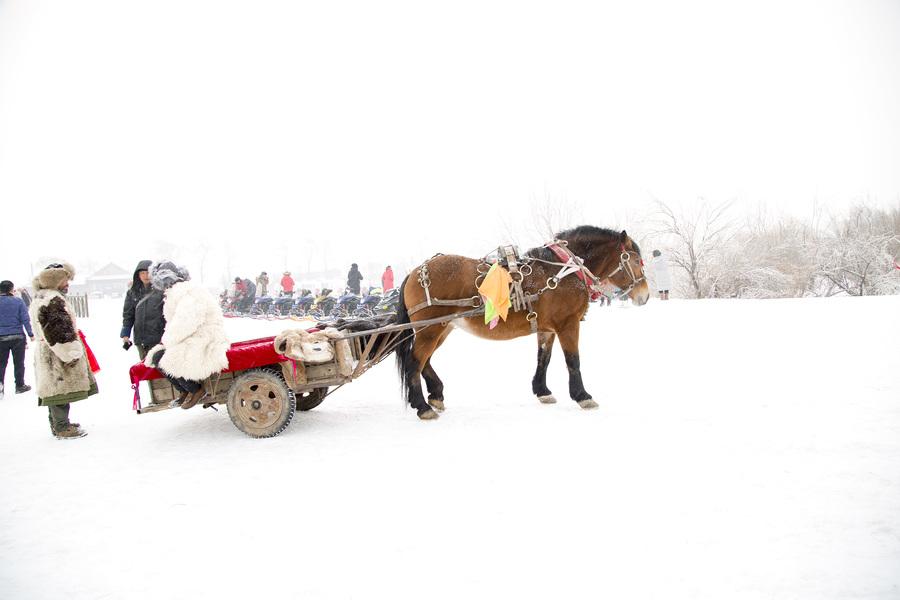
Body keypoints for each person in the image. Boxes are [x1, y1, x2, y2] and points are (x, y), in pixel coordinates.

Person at [144, 261, 229, 410]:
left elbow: (187, 322)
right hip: (194, 335)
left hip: (205, 337)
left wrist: (169, 341)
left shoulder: (187, 292)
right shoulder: (177, 293)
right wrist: (167, 340)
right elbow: (174, 323)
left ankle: (196, 389)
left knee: (165, 358)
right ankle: (185, 390)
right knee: (158, 356)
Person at [29, 263, 97, 439]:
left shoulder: (41, 297)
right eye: (65, 280)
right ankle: (62, 427)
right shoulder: (52, 300)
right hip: (57, 353)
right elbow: (58, 331)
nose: (68, 283)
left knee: (54, 389)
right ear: (56, 280)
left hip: (48, 351)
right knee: (60, 390)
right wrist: (71, 353)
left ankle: (58, 423)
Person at [0, 280, 35, 398]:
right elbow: (25, 319)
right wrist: (30, 334)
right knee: (19, 362)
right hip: (18, 337)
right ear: (11, 289)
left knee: (1, 363)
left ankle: (0, 386)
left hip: (1, 338)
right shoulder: (18, 302)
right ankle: (20, 386)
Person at [120, 260, 152, 352]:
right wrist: (125, 335)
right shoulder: (132, 293)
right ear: (138, 275)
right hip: (141, 339)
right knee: (143, 365)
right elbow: (128, 315)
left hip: (159, 339)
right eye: (142, 273)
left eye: (148, 272)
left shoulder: (161, 291)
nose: (145, 276)